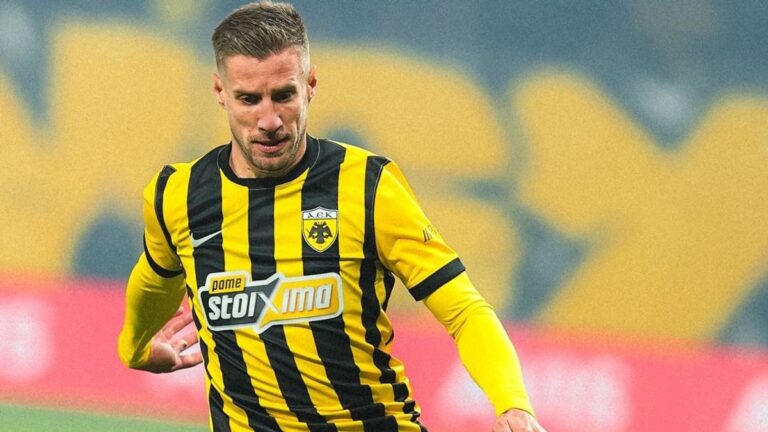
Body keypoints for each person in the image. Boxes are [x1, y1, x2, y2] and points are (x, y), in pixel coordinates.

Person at [118, 2, 546, 431]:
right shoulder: (178, 196)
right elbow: (154, 281)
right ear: (220, 92)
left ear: (310, 85)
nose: (269, 120)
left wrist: (513, 405)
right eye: (249, 99)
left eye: (283, 95)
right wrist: (135, 349)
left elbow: (465, 310)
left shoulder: (367, 187)